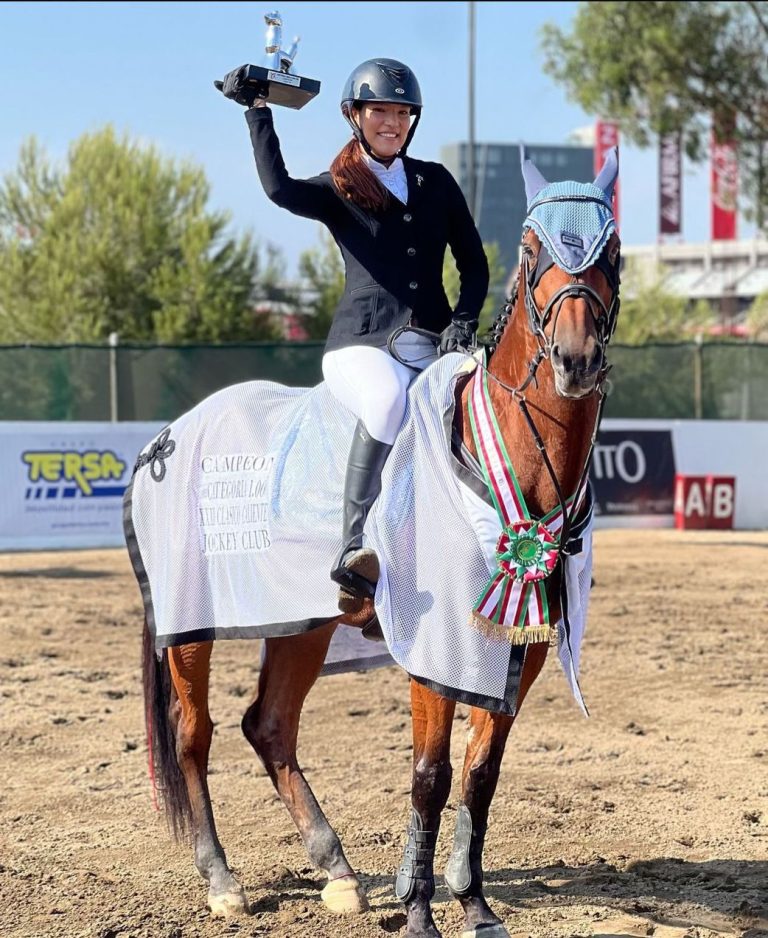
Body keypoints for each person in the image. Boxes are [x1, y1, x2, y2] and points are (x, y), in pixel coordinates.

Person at [217, 57, 489, 614]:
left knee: (486, 404)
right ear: (354, 115)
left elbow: (474, 263)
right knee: (388, 400)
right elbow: (279, 189)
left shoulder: (435, 181)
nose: (391, 122)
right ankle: (354, 545)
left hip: (435, 342)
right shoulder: (339, 186)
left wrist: (463, 319)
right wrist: (258, 112)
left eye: (401, 112)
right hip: (360, 346)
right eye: (379, 112)